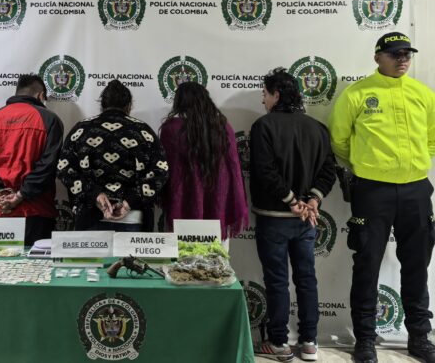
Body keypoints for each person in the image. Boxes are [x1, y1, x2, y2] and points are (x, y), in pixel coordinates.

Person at [328, 32, 435, 363]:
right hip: (372, 192)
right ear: (378, 58)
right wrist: (365, 167)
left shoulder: (422, 94)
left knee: (417, 266)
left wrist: (414, 166)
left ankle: (418, 337)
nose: (402, 59)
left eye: (406, 53)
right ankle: (365, 341)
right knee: (367, 265)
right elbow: (339, 141)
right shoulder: (357, 94)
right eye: (395, 54)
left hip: (417, 189)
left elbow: (431, 139)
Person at [250, 68, 335, 362]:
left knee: (277, 281)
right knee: (307, 279)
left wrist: (292, 201)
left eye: (264, 93)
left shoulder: (263, 126)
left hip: (276, 217)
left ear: (276, 94)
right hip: (305, 219)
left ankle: (278, 344)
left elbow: (264, 171)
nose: (263, 100)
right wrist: (312, 200)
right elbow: (328, 171)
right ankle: (309, 343)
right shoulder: (317, 128)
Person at [57, 79, 168, 231]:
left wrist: (95, 195)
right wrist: (130, 201)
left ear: (102, 104)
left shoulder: (82, 129)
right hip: (133, 216)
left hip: (90, 214)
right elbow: (160, 171)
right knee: (131, 256)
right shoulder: (142, 130)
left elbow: (64, 169)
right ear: (129, 105)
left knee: (92, 256)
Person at [0, 74, 63, 246]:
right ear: (40, 96)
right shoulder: (49, 119)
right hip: (36, 212)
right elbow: (48, 167)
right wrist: (20, 195)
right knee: (37, 271)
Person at [159, 82, 248, 238]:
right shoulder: (223, 126)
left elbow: (167, 173)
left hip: (182, 208)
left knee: (182, 259)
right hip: (218, 205)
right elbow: (233, 171)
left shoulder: (171, 129)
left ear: (179, 102)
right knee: (217, 259)